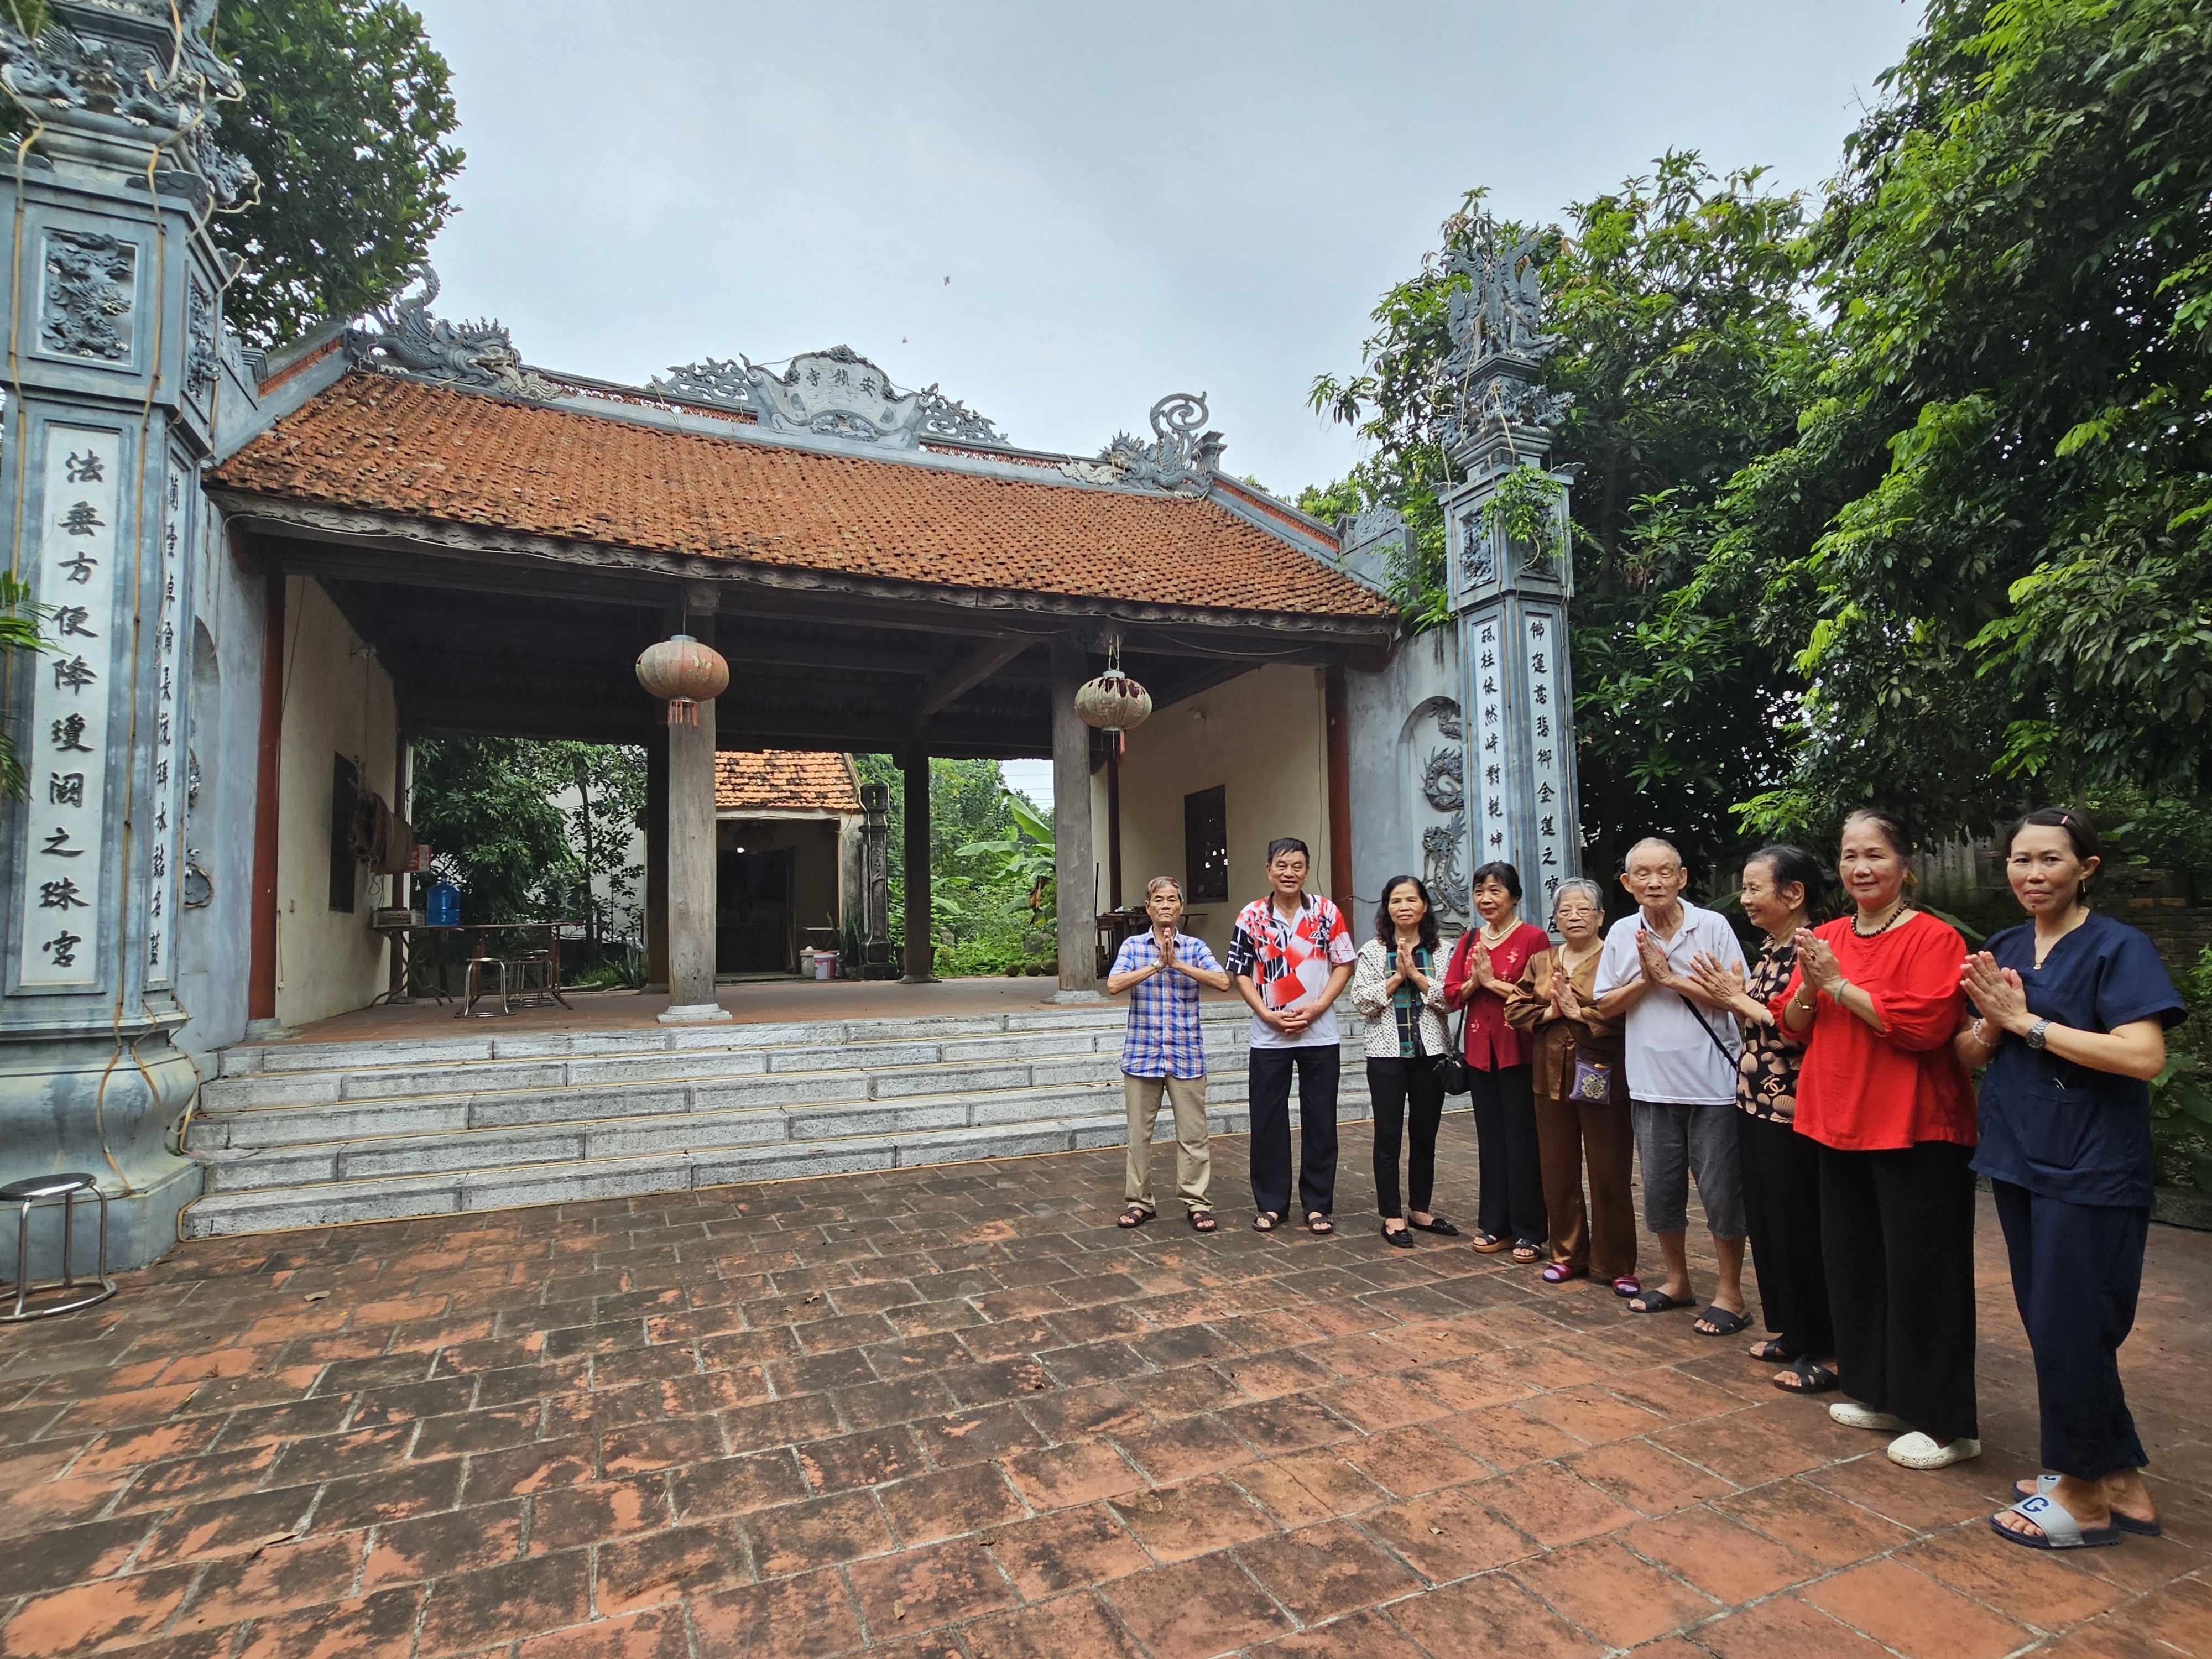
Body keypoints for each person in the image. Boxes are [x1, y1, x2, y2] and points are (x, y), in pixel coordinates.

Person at [1963, 810, 2184, 1549]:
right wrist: (1993, 1024)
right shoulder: (2004, 947)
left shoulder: (2119, 948)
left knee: (2071, 1328)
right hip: (2022, 1157)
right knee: (2055, 1324)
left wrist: (2028, 1024)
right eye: (2020, 861)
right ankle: (2116, 1478)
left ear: (2085, 867)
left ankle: (2083, 1500)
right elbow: (1969, 1054)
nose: (2032, 874)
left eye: (2050, 860)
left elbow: (2143, 1056)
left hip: (2090, 1168)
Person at [1776, 808, 1978, 1470]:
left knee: (1923, 1276)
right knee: (1857, 1266)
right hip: (1838, 1122)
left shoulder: (1933, 938)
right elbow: (1793, 1024)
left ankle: (1947, 1424)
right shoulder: (1827, 933)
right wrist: (1812, 984)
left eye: (1875, 856)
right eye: (1850, 856)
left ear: (1904, 863)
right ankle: (1881, 1392)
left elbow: (1922, 1030)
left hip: (1914, 1127)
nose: (1860, 868)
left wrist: (1837, 983)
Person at [1684, 846, 1838, 1394]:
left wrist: (1737, 999)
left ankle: (1826, 1345)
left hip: (1795, 1109)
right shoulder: (1771, 949)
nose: (1745, 899)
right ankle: (1792, 1331)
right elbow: (1752, 1010)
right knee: (1770, 1223)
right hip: (1753, 1103)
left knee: (1800, 1226)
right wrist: (1727, 995)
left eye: (1754, 889)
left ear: (1793, 894)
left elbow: (1793, 1026)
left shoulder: (1814, 949)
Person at [1593, 838, 1750, 1328]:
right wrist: (1646, 980)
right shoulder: (1623, 932)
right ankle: (1676, 1281)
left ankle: (1731, 1295)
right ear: (1627, 883)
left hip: (1714, 1085)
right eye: (1643, 874)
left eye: (1665, 873)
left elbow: (1738, 998)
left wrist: (1672, 979)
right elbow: (1604, 1005)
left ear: (1683, 878)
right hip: (1651, 1084)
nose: (1654, 882)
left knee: (1722, 1193)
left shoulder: (1713, 926)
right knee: (1661, 1191)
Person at [1506, 878, 1637, 1291]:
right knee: (1558, 1168)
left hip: (1603, 1075)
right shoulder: (1543, 960)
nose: (1574, 916)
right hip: (1549, 1077)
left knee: (1609, 1169)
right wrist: (1550, 1012)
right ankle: (1568, 1254)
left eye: (1583, 909)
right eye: (1565, 910)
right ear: (1555, 917)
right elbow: (1516, 1007)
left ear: (1601, 916)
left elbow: (1625, 1013)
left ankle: (1615, 1263)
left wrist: (1578, 1012)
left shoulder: (1615, 959)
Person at [1228, 838, 1358, 1234]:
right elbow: (1240, 972)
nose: (1290, 873)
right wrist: (1265, 1013)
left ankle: (1318, 1204)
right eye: (1282, 865)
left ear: (1306, 870)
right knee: (1267, 1120)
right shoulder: (1250, 917)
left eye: (1298, 866)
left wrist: (1318, 1007)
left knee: (1321, 1120)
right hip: (1269, 1036)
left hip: (1320, 1034)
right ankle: (1271, 1203)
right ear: (1269, 869)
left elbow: (1344, 964)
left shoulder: (1325, 912)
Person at [1106, 874, 1234, 1234]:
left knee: (1193, 1134)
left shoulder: (1194, 948)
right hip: (1142, 1055)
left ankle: (1196, 1202)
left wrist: (1177, 964)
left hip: (1186, 1054)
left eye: (1172, 900)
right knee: (1138, 1135)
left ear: (1181, 907)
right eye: (1158, 900)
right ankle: (1139, 1202)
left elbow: (1223, 982)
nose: (1165, 906)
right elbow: (1114, 984)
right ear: (1147, 908)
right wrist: (1156, 966)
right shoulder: (1133, 947)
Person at [1444, 863, 1551, 1260]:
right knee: (1490, 1142)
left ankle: (1530, 1230)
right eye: (1479, 892)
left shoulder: (1533, 938)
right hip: (1479, 1053)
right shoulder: (1471, 938)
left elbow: (1539, 996)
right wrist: (1476, 981)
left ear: (1515, 896)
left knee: (1523, 1140)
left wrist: (1492, 984)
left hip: (1518, 1051)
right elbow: (1453, 994)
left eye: (1495, 891)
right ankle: (1494, 1224)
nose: (1486, 899)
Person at [1350, 875, 1457, 1248]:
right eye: (1396, 901)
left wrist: (1419, 978)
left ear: (1424, 906)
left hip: (1430, 1054)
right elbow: (1361, 1002)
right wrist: (1398, 978)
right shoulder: (1372, 951)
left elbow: (1451, 1000)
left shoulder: (1444, 951)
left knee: (1425, 1134)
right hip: (1386, 1056)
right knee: (1389, 1136)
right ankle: (1392, 1214)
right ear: (1387, 908)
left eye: (1412, 900)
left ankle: (1420, 1209)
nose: (1404, 907)